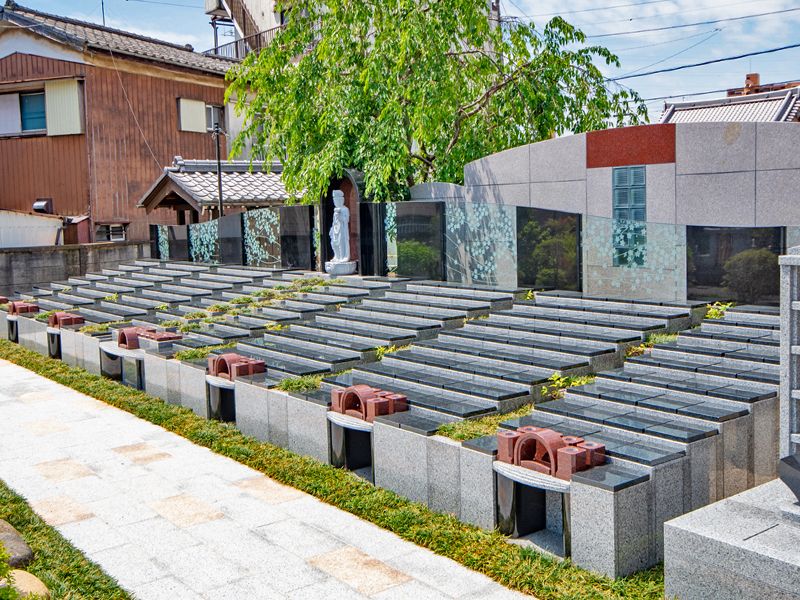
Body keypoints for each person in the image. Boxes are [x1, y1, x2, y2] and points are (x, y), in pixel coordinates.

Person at [329, 190, 350, 263]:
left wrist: (340, 218)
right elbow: (334, 222)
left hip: (342, 229)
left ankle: (342, 257)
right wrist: (332, 229)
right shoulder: (335, 211)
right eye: (334, 200)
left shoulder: (345, 209)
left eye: (337, 200)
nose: (335, 202)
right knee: (334, 243)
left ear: (341, 200)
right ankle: (336, 256)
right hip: (335, 229)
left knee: (341, 243)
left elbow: (346, 220)